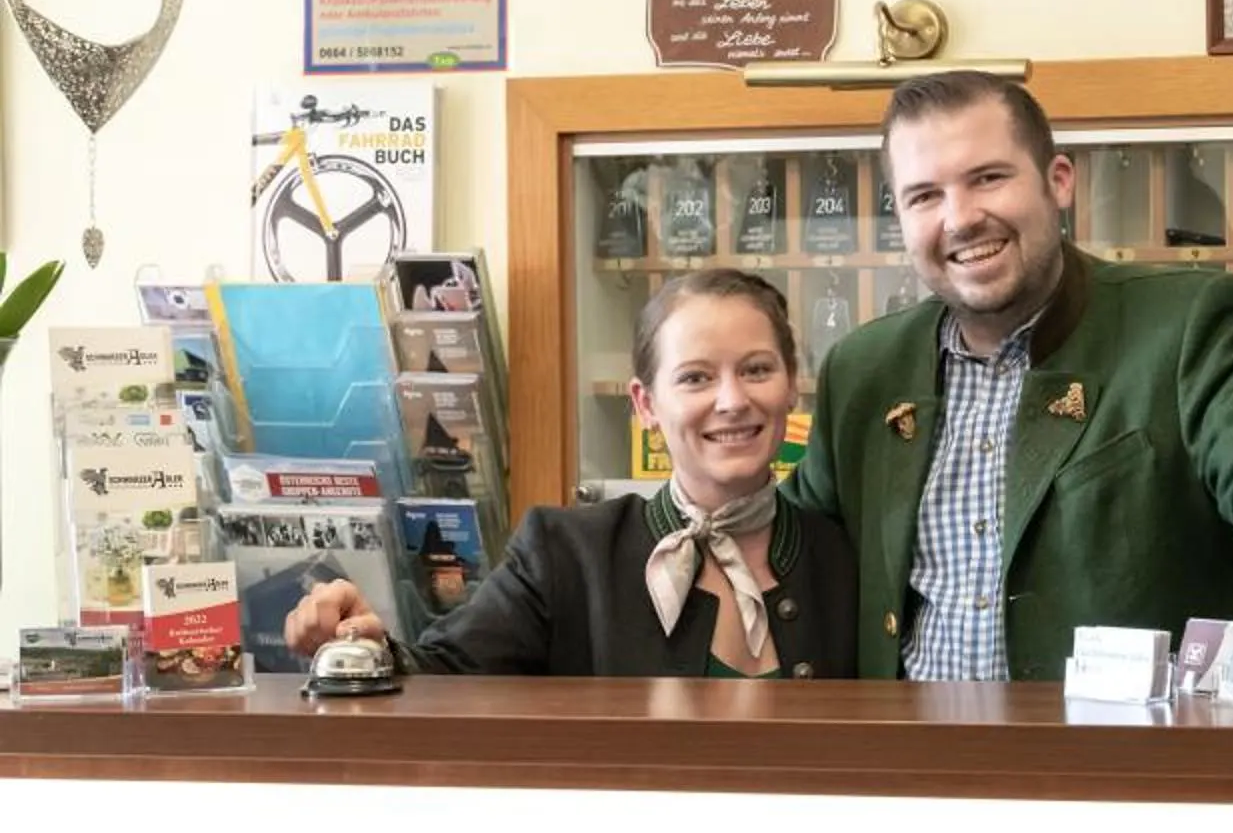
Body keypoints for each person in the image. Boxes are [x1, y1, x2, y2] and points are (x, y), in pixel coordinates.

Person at [786, 72, 1233, 692]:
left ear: (1058, 181)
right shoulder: (863, 369)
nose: (959, 218)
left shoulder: (1188, 325)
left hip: (1114, 773)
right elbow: (789, 548)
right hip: (910, 772)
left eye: (988, 177)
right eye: (924, 196)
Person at [284, 269, 855, 677]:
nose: (732, 400)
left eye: (756, 370)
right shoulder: (563, 555)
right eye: (696, 378)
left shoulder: (845, 559)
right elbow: (442, 675)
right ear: (645, 404)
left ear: (792, 386)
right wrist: (368, 644)